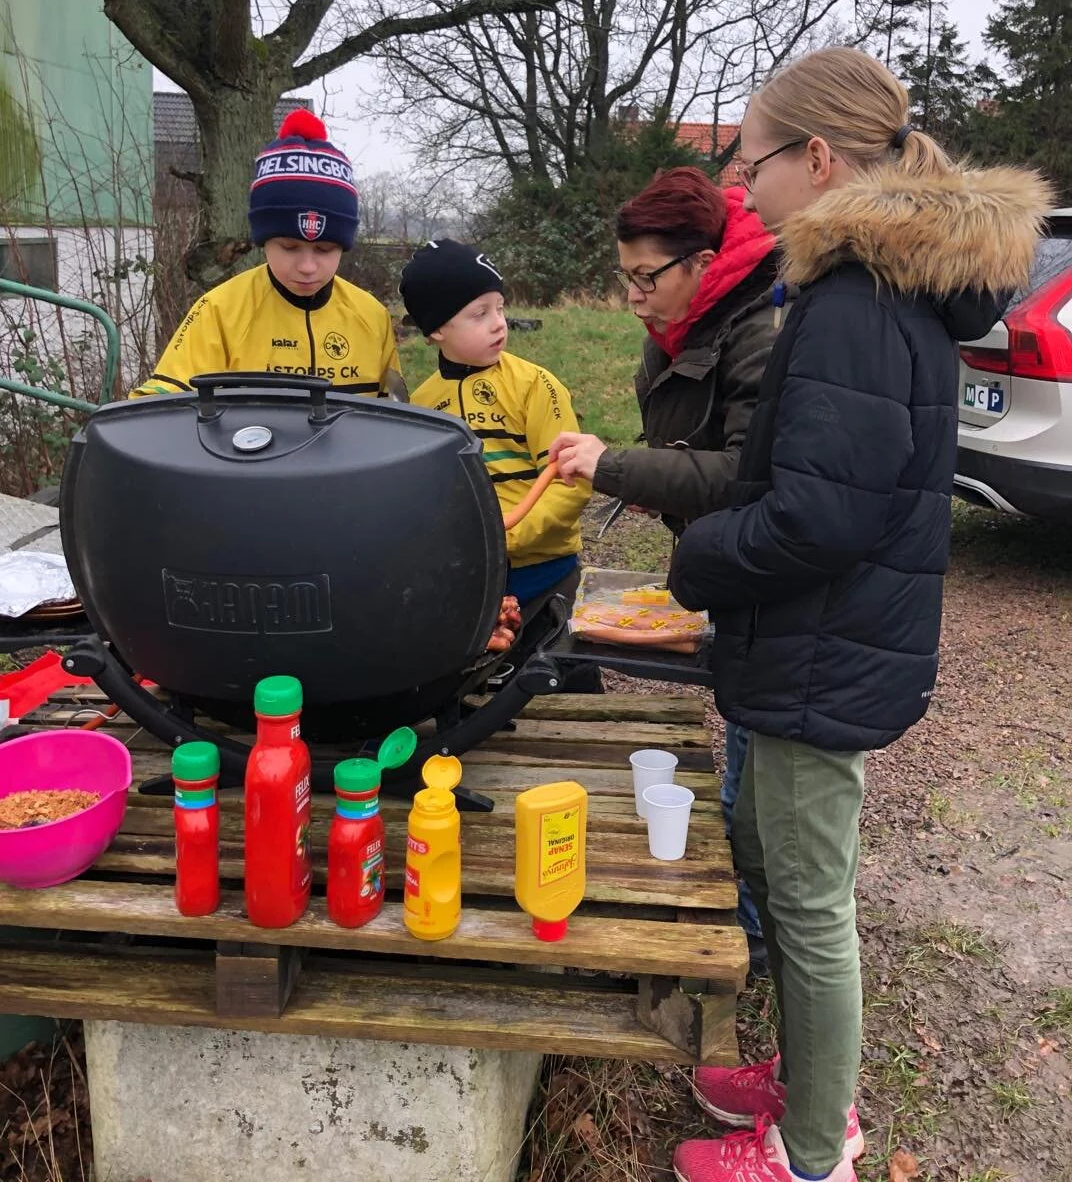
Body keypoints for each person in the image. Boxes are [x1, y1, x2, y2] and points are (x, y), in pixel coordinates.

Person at [667, 47, 1049, 1182]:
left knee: (808, 898)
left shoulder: (850, 303)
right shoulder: (889, 289)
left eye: (753, 157)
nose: (742, 183)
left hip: (818, 648)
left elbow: (815, 522)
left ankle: (806, 1148)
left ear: (817, 158)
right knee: (782, 870)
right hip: (826, 640)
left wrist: (700, 553)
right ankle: (803, 1086)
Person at [549, 166, 780, 972]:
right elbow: (693, 448)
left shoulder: (761, 326)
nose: (633, 297)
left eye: (647, 277)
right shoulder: (686, 326)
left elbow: (748, 472)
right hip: (725, 560)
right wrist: (652, 483)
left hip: (764, 574)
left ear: (704, 261)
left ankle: (748, 933)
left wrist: (619, 466)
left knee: (754, 758)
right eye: (625, 277)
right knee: (741, 742)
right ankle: (743, 914)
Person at [131, 109, 403, 400]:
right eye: (289, 247)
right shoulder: (219, 311)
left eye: (325, 249)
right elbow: (159, 401)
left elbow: (397, 417)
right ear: (263, 240)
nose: (308, 266)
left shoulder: (372, 317)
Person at [399, 239, 590, 606]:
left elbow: (572, 481)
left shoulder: (535, 384)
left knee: (554, 660)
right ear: (437, 329)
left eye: (500, 308)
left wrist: (509, 536)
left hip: (546, 571)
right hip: (469, 575)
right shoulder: (423, 403)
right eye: (479, 313)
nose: (498, 324)